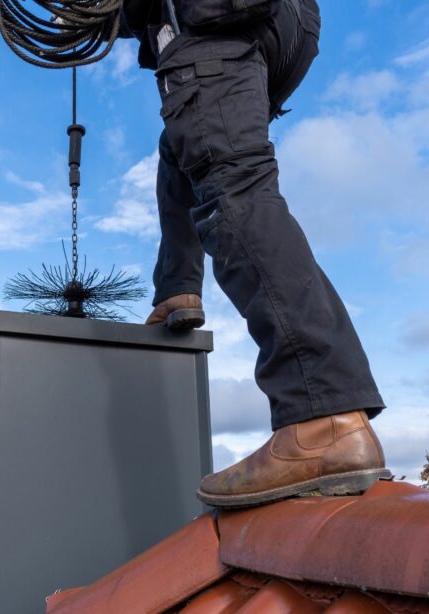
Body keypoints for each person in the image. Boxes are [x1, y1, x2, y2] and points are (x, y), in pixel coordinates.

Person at [121, 0, 390, 507]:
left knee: (232, 185)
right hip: (286, 24)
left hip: (212, 14)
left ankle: (322, 419)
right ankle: (177, 287)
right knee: (181, 146)